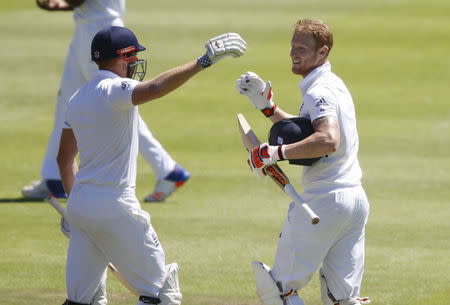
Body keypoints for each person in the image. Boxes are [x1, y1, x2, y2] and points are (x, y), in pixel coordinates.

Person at [57, 26, 246, 305]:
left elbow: (64, 158)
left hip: (82, 205)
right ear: (125, 56)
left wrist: (76, 207)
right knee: (162, 295)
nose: (135, 63)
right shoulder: (114, 89)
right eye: (133, 57)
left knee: (82, 301)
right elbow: (155, 88)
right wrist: (202, 61)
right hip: (115, 205)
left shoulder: (77, 97)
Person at [236, 19, 370, 305]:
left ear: (323, 52)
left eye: (302, 47)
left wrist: (274, 154)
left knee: (278, 291)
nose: (294, 52)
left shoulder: (318, 91)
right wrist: (267, 108)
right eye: (292, 46)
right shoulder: (332, 83)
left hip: (324, 200)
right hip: (353, 201)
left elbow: (328, 140)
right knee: (343, 300)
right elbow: (305, 129)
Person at [23, 0, 190, 202]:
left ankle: (167, 169)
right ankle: (54, 177)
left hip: (101, 30)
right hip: (87, 25)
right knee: (66, 101)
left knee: (114, 102)